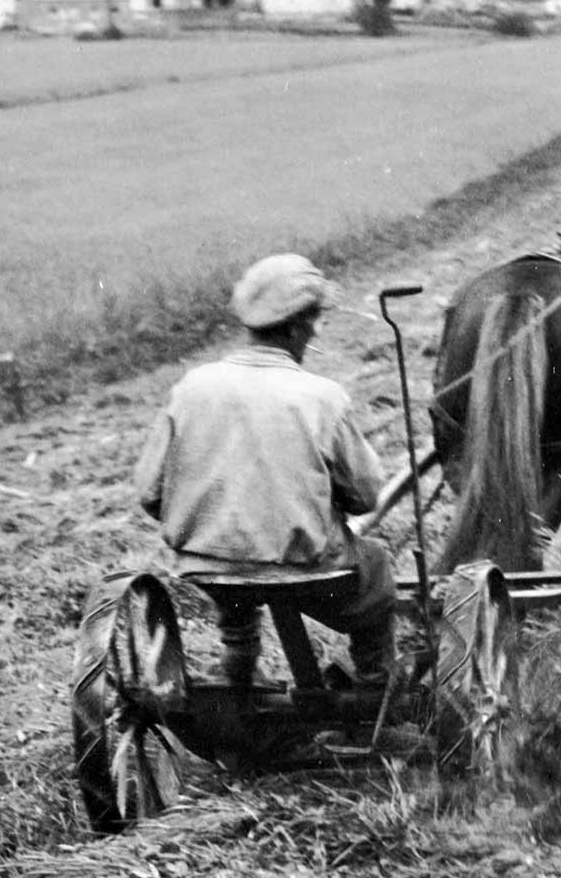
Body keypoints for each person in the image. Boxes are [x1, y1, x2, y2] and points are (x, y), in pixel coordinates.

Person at [134, 253, 396, 689]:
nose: (316, 332)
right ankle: (375, 678)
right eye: (314, 321)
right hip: (308, 571)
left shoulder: (191, 388)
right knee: (376, 565)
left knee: (234, 575)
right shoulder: (322, 397)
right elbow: (365, 496)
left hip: (207, 570)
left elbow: (149, 492)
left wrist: (215, 526)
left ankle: (238, 661)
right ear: (294, 328)